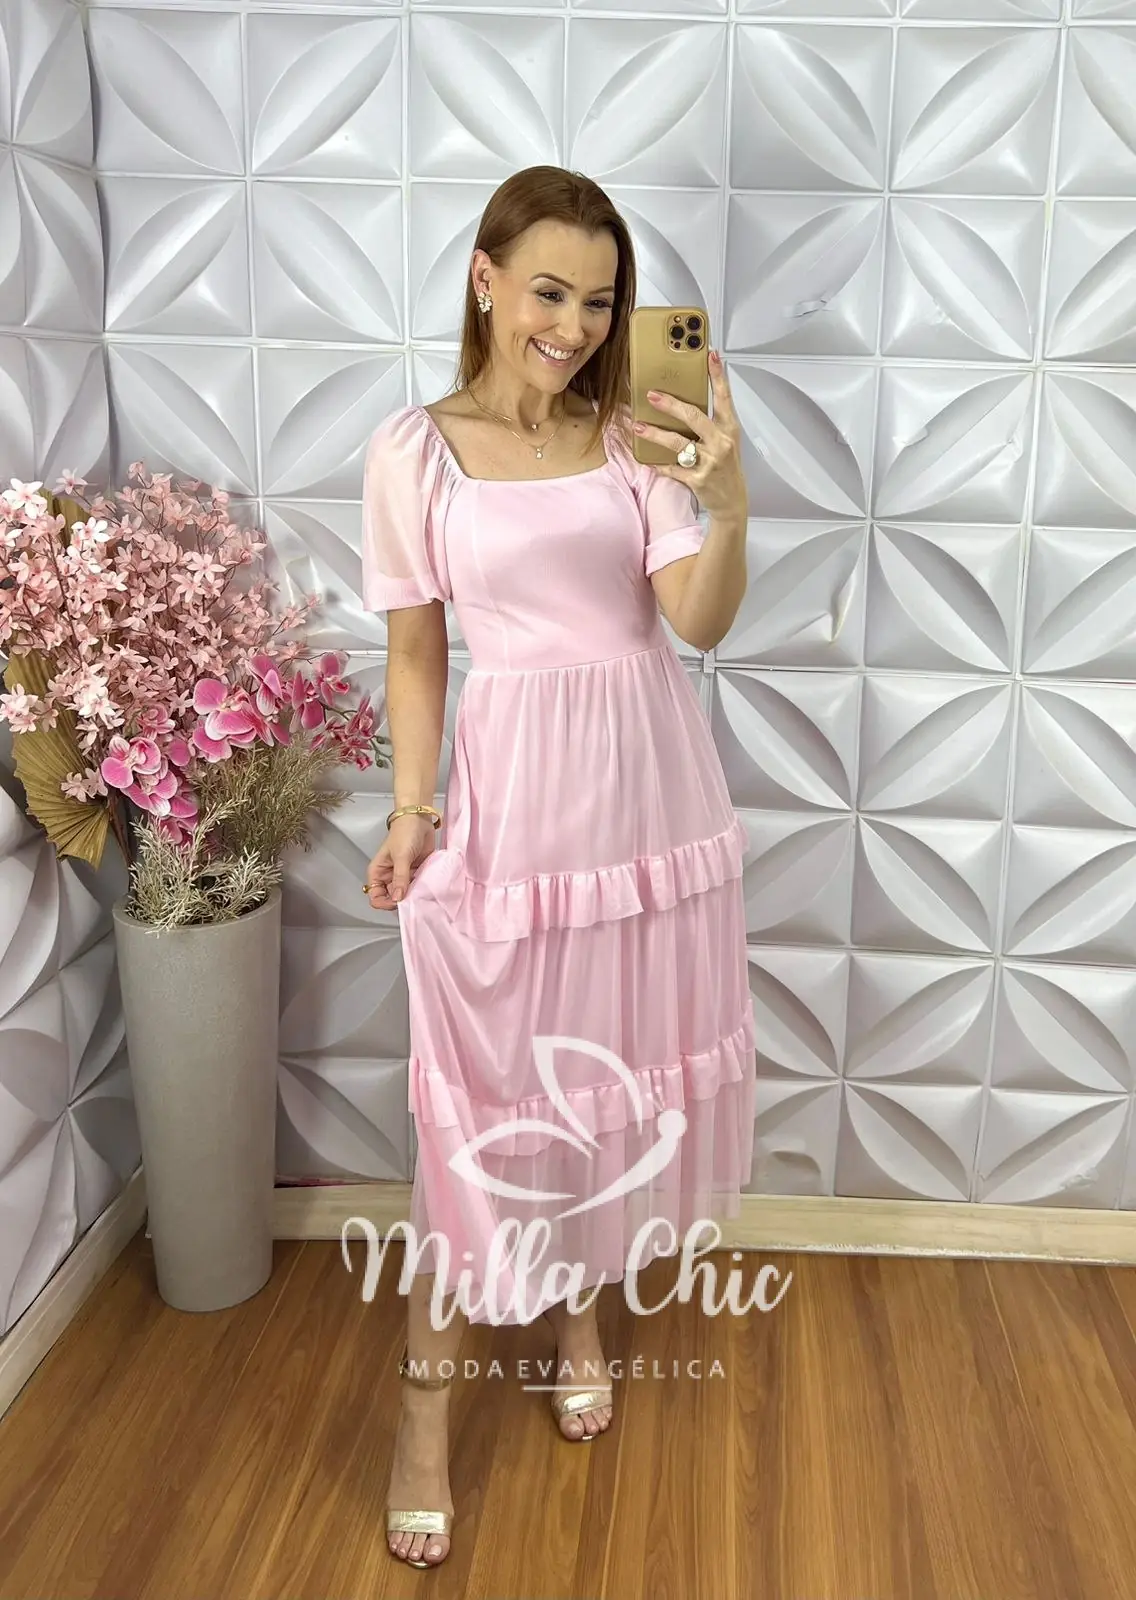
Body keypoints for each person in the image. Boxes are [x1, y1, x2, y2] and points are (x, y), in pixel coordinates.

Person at [361, 164, 755, 1570]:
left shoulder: (635, 432)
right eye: (547, 292)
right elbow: (418, 653)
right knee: (483, 1107)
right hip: (515, 807)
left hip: (645, 805)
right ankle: (423, 1416)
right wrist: (413, 812)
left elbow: (697, 621)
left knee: (602, 1078)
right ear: (484, 279)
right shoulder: (415, 452)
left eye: (600, 301)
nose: (575, 327)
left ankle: (577, 1312)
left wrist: (729, 495)